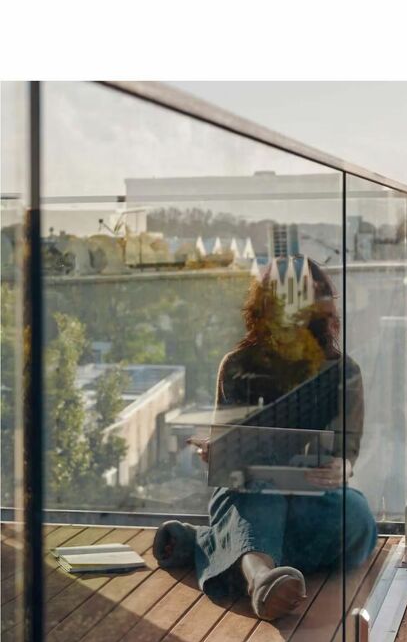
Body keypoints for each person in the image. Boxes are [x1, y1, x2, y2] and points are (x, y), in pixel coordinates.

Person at [152, 260, 377, 621]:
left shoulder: (343, 371)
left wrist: (342, 467)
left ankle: (209, 543)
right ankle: (260, 580)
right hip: (250, 492)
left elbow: (347, 450)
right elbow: (227, 451)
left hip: (314, 497)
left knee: (358, 518)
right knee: (262, 489)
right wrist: (216, 452)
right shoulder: (236, 365)